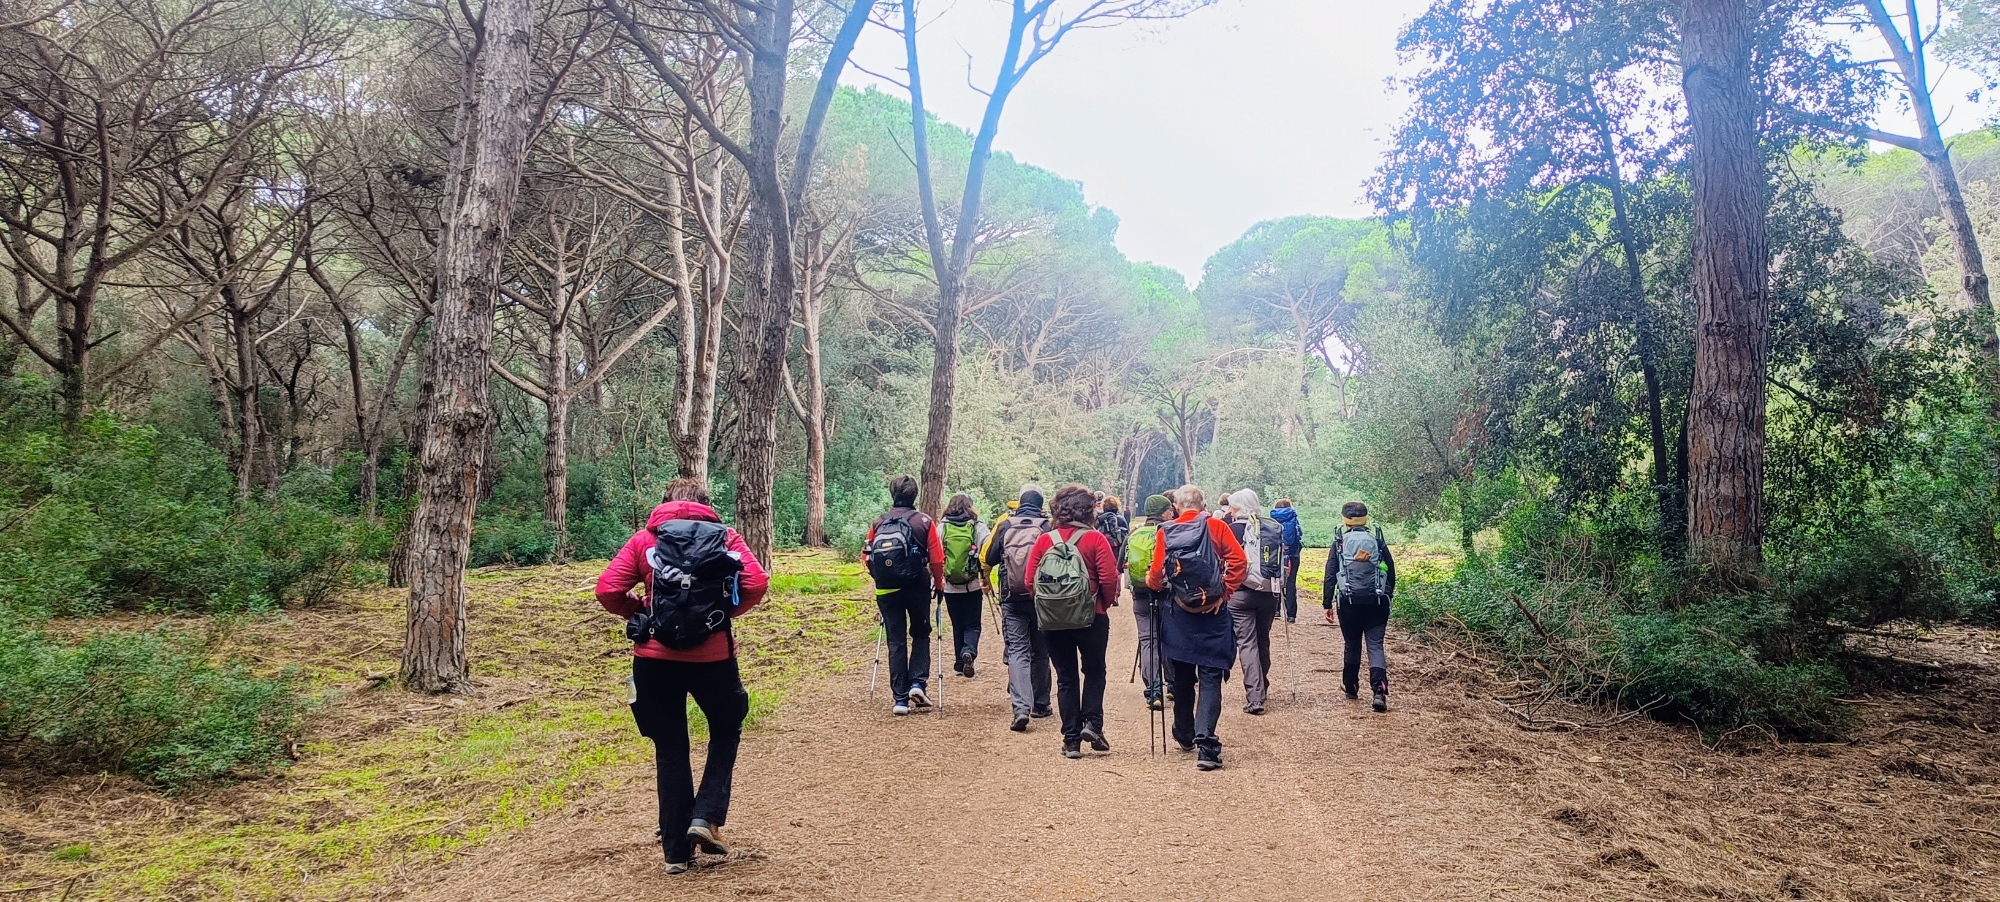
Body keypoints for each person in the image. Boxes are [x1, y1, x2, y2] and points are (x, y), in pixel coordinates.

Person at [596, 478, 771, 874]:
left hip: (654, 659)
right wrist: (719, 616)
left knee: (670, 747)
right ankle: (705, 815)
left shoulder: (645, 540)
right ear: (706, 505)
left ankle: (676, 855)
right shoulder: (726, 538)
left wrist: (641, 612)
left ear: (664, 503)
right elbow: (757, 582)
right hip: (714, 659)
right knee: (726, 728)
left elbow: (607, 590)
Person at [1147, 485, 1246, 771]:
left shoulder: (1166, 532)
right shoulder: (1217, 526)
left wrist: (1156, 585)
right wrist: (1224, 593)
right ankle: (1206, 746)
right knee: (1211, 676)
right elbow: (1239, 561)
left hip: (1180, 613)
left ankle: (1184, 731)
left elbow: (1156, 575)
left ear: (1176, 507)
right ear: (1202, 505)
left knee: (1182, 676)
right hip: (1213, 613)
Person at [1025, 484, 1124, 758]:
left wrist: (1049, 605)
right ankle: (1092, 723)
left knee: (1066, 677)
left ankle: (1071, 741)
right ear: (1089, 510)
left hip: (1054, 620)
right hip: (1092, 616)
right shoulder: (1096, 539)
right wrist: (1101, 604)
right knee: (1094, 671)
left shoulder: (1045, 540)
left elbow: (1030, 581)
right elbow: (1109, 579)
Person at [864, 475, 946, 716]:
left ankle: (900, 699)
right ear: (915, 495)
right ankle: (917, 683)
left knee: (896, 641)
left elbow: (866, 556)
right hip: (916, 587)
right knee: (921, 633)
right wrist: (938, 583)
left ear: (893, 494)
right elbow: (937, 559)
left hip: (886, 590)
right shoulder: (924, 522)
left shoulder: (878, 523)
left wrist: (881, 576)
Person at [983, 485, 1054, 731]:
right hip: (1041, 598)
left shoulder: (1005, 525)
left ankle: (1021, 708)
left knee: (1017, 651)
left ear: (1020, 503)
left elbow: (989, 558)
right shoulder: (1047, 527)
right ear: (1041, 505)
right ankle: (1041, 704)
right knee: (1041, 650)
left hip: (1011, 598)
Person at [1324, 501, 1397, 712]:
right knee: (1375, 645)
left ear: (1345, 520)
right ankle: (1379, 691)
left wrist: (1327, 603)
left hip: (1349, 603)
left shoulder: (1340, 542)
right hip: (1377, 602)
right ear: (1365, 519)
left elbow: (1330, 574)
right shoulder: (1377, 540)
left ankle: (1351, 686)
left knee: (1352, 644)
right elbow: (1391, 571)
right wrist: (1388, 594)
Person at [1224, 489, 1284, 715]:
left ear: (1238, 508)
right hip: (1268, 593)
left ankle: (1255, 697)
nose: (1230, 511)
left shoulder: (1232, 530)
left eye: (1232, 507)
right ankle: (1262, 684)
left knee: (1246, 643)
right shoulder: (1270, 528)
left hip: (1240, 594)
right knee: (1262, 640)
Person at [938, 492, 989, 678]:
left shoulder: (942, 527)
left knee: (957, 624)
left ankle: (960, 664)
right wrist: (985, 578)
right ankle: (968, 651)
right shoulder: (977, 526)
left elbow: (935, 553)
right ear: (970, 506)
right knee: (972, 624)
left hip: (950, 586)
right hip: (972, 585)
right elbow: (987, 550)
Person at [1128, 493, 1172, 709]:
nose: (1172, 513)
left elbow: (1121, 566)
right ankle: (1172, 685)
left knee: (1148, 641)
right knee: (1168, 638)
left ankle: (1153, 692)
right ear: (1163, 513)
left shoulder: (1134, 533)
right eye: (1170, 510)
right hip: (1165, 593)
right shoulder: (1168, 532)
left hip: (1140, 594)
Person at [1271, 499, 1304, 623]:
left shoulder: (1272, 518)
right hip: (1292, 555)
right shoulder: (1293, 517)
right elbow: (1299, 534)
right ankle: (1291, 615)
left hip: (1277, 555)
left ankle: (1276, 610)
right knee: (1291, 582)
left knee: (1276, 580)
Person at [1095, 495, 1130, 571]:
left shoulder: (1100, 519)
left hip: (1103, 552)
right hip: (1117, 551)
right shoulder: (1120, 519)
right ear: (1116, 506)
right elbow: (1127, 536)